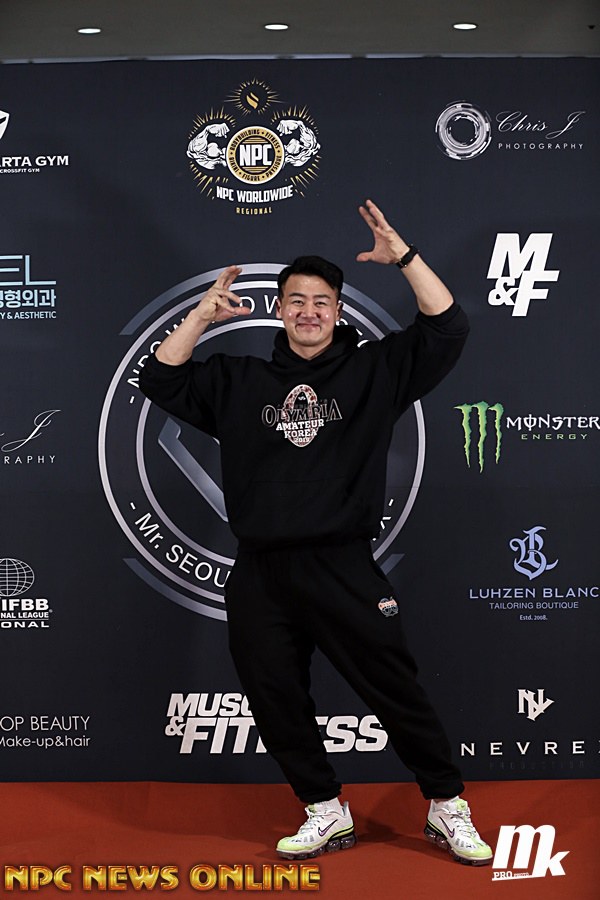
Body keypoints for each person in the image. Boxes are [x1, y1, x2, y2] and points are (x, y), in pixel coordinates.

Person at [139, 199, 492, 866]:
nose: (309, 311)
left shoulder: (374, 370)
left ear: (337, 310)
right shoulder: (238, 379)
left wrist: (404, 256)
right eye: (297, 300)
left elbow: (448, 326)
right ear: (279, 309)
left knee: (396, 691)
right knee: (274, 696)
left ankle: (446, 804)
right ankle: (324, 809)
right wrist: (202, 316)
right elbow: (159, 376)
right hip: (260, 570)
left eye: (321, 301)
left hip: (342, 563)